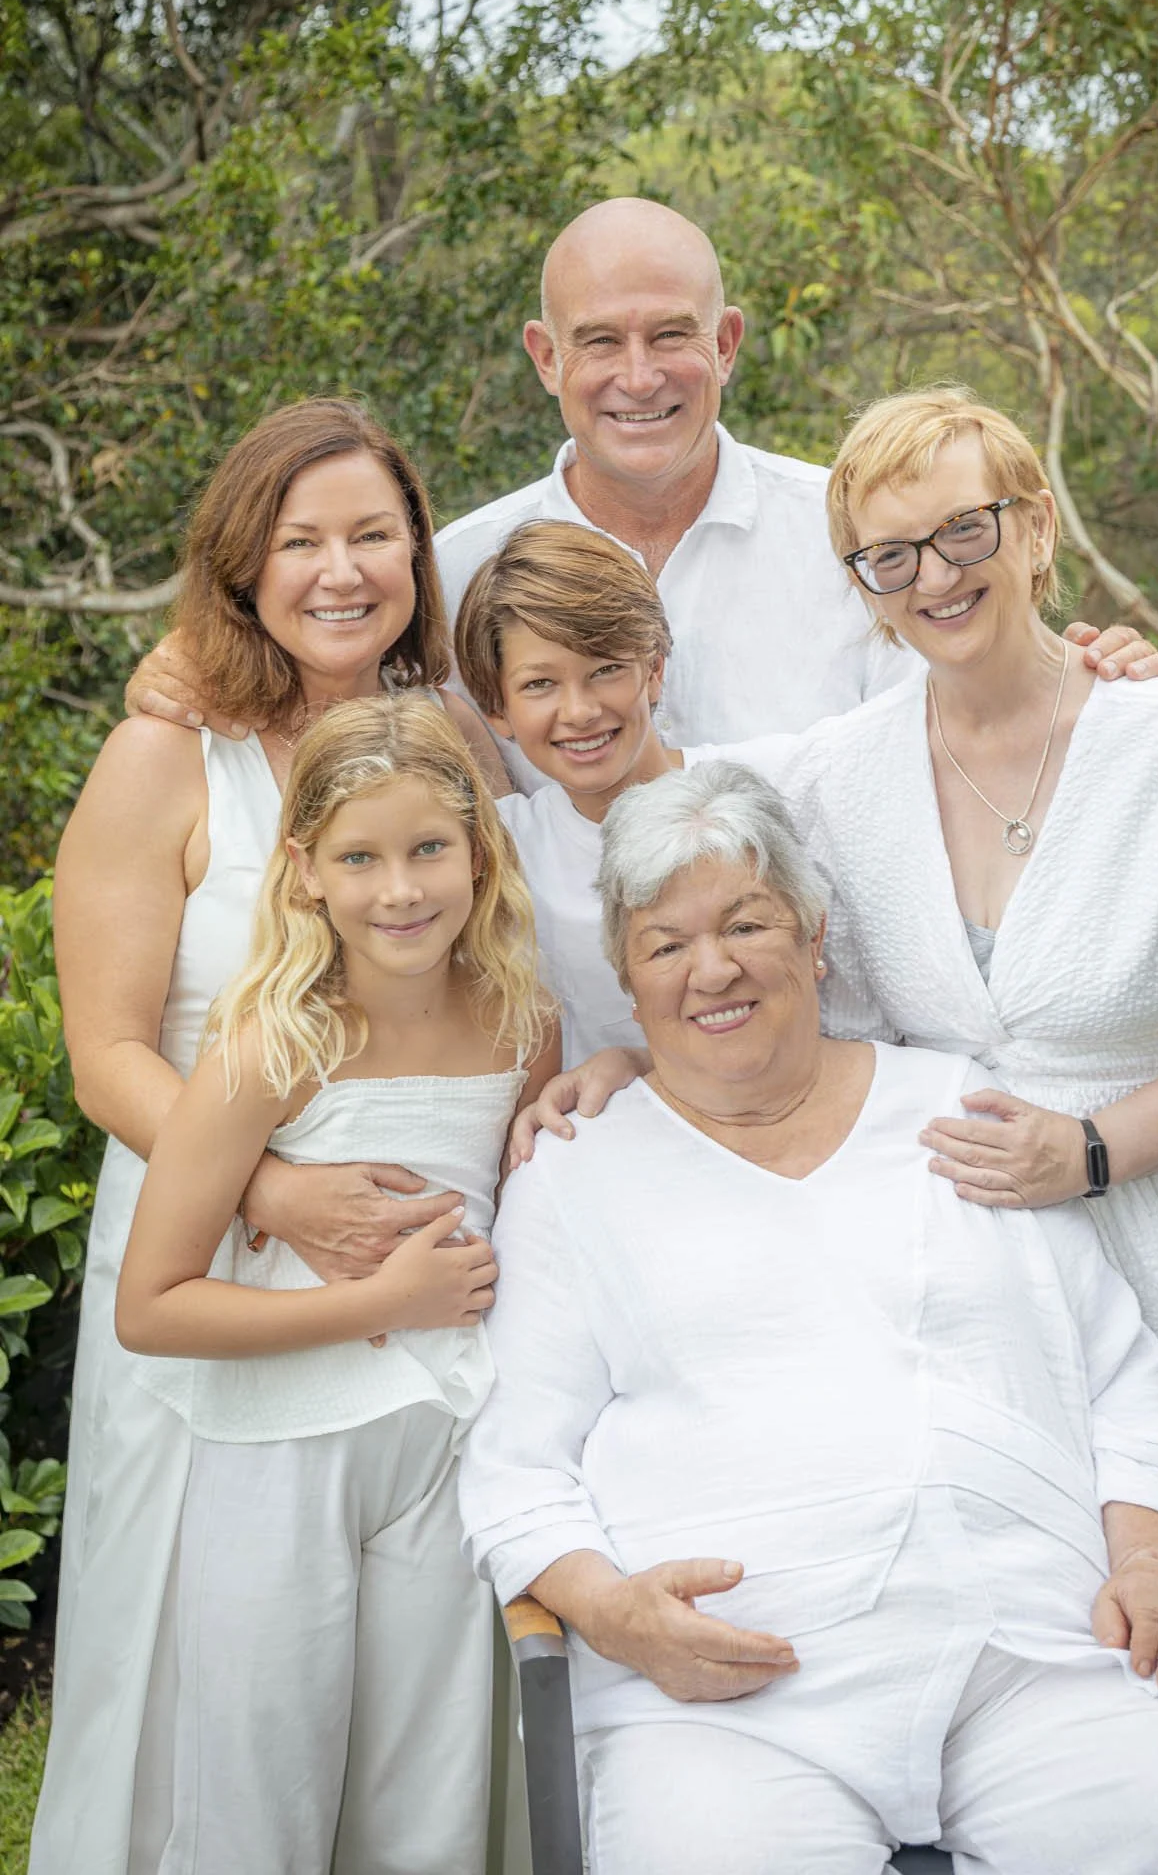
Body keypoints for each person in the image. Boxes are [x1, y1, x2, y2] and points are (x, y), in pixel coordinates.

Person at [530, 386, 1158, 1863]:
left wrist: (1095, 1151)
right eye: (887, 555)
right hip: (988, 1260)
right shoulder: (840, 772)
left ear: (1033, 528)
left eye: (963, 532)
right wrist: (635, 1063)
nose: (933, 577)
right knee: (1066, 1613)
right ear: (859, 581)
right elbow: (692, 877)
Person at [459, 763, 1158, 1875]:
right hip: (726, 1695)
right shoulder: (575, 1174)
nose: (711, 969)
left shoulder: (956, 1107)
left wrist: (1147, 1558)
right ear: (625, 973)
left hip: (1035, 1642)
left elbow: (1118, 1376)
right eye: (665, 944)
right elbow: (515, 1467)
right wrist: (613, 1613)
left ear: (814, 938)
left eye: (746, 923)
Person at [31, 399, 502, 1875]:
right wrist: (274, 1188)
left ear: (418, 555)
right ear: (243, 568)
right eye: (301, 542)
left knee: (413, 1700)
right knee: (201, 1664)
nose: (340, 571)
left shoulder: (453, 743)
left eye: (373, 535)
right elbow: (107, 1051)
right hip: (207, 1247)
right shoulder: (165, 756)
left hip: (417, 1307)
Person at [120, 198, 1158, 779]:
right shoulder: (450, 569)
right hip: (563, 1073)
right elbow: (325, 686)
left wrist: (1127, 703)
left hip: (846, 1039)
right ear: (544, 358)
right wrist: (194, 661)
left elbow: (993, 690)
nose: (638, 376)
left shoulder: (857, 534)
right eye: (597, 341)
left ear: (727, 342)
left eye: (671, 334)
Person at [113, 693, 558, 1872]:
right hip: (282, 1451)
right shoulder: (270, 1045)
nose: (399, 889)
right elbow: (149, 1305)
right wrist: (377, 1303)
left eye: (428, 848)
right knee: (260, 1781)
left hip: (446, 1446)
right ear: (304, 869)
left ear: (479, 850)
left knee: (429, 1791)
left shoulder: (523, 1024)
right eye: (358, 857)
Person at [454, 518, 679, 1061]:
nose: (579, 712)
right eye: (539, 684)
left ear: (653, 671)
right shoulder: (499, 848)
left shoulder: (760, 791)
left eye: (605, 669)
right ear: (496, 708)